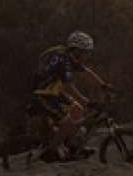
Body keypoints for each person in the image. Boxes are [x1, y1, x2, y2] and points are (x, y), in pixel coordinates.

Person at [30, 30, 109, 161]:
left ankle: (71, 147)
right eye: (86, 52)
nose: (88, 55)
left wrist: (103, 85)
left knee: (78, 110)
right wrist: (86, 100)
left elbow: (87, 71)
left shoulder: (71, 57)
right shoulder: (63, 60)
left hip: (54, 92)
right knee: (67, 122)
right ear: (77, 51)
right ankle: (50, 152)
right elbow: (69, 85)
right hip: (42, 94)